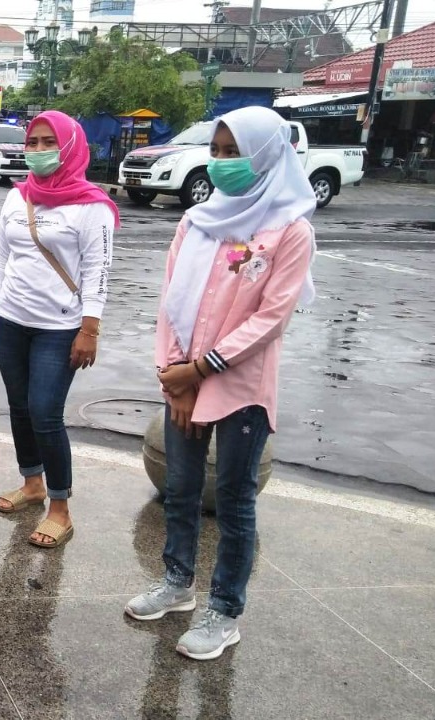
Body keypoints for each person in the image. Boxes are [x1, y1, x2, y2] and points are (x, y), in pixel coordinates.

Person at [125, 106, 317, 661]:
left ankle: (225, 609)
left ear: (266, 156)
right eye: (219, 150)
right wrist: (176, 377)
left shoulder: (290, 230)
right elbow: (172, 301)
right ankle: (177, 583)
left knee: (234, 502)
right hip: (184, 378)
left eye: (235, 152)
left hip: (242, 388)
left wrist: (202, 368)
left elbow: (272, 318)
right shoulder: (199, 219)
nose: (223, 162)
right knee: (179, 490)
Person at [0, 110, 118, 548]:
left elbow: (98, 271)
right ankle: (31, 482)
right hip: (11, 320)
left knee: (45, 413)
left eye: (47, 143)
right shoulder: (19, 197)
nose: (36, 151)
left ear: (70, 146)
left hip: (59, 328)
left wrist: (89, 329)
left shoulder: (93, 206)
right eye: (32, 143)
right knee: (19, 407)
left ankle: (60, 507)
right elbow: (1, 256)